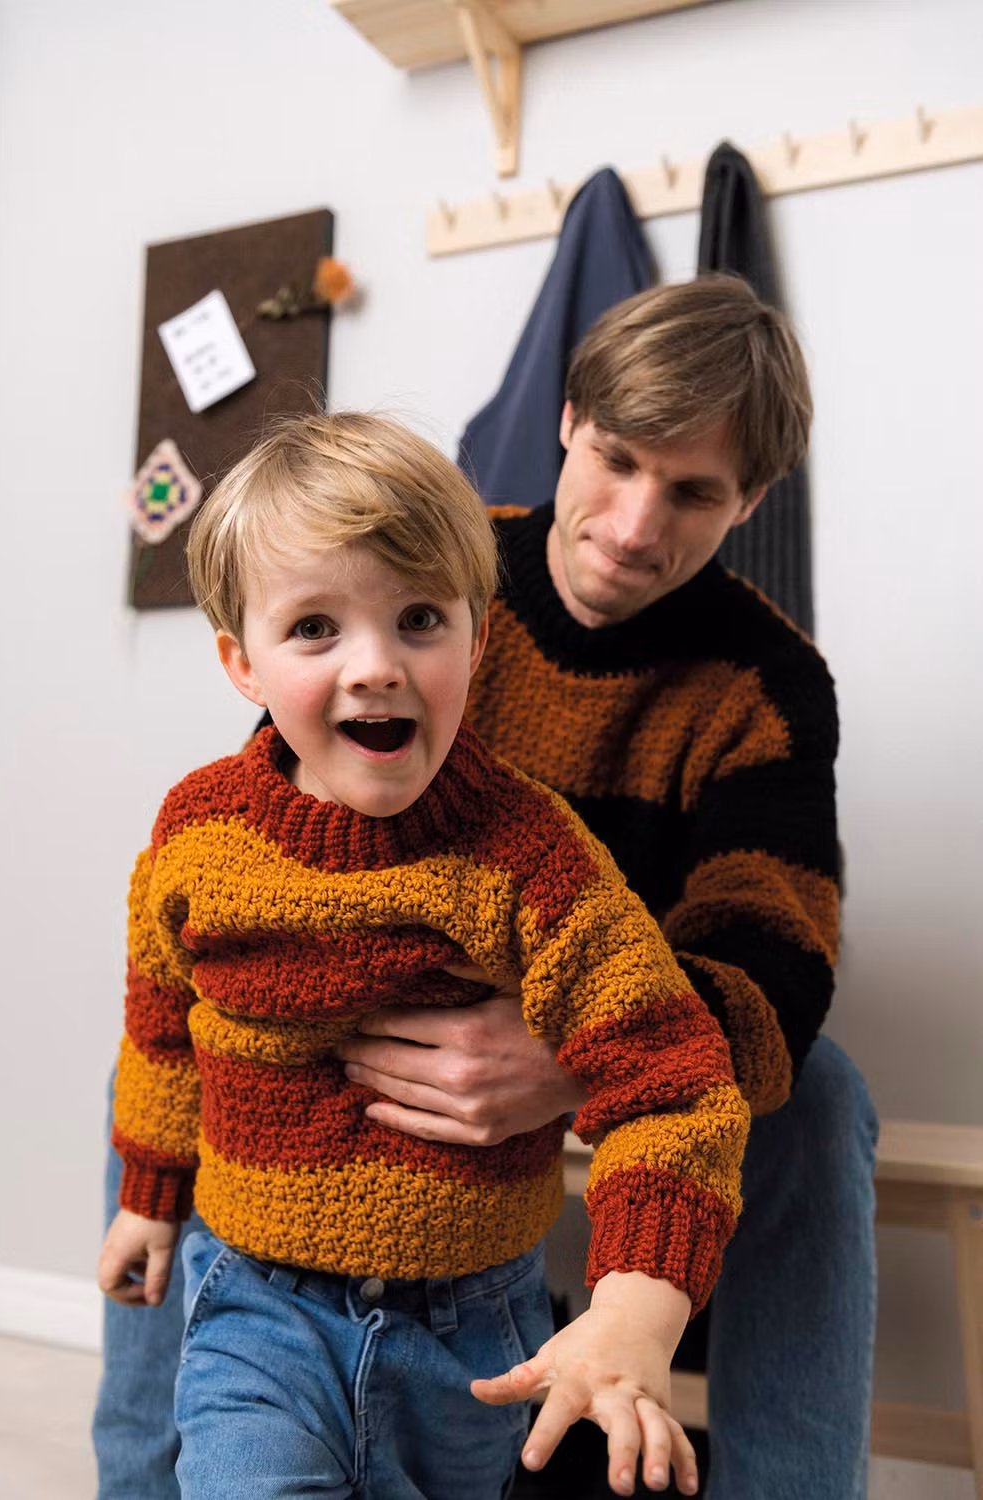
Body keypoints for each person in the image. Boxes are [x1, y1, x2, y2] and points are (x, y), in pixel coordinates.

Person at [94, 275, 878, 1500]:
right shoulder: (426, 564)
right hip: (361, 1053)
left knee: (819, 1093)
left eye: (691, 492)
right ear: (567, 422)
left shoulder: (764, 684)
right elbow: (282, 799)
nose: (633, 526)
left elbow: (775, 964)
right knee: (180, 1034)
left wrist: (559, 1060)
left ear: (750, 501)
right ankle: (148, 1474)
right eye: (616, 460)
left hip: (600, 1015)